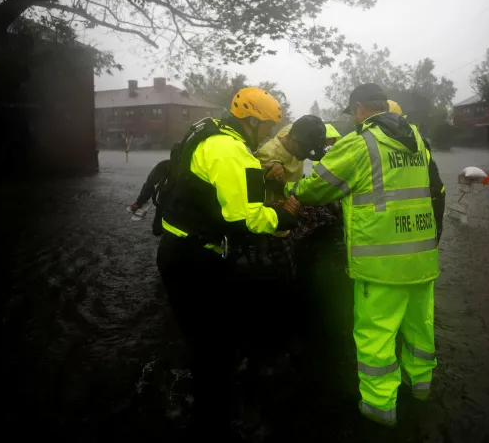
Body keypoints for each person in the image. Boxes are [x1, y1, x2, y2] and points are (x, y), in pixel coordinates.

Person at [284, 83, 446, 427]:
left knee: (376, 335)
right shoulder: (417, 138)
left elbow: (318, 186)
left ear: (359, 108)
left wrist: (289, 191)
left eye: (352, 112)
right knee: (420, 328)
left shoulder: (360, 143)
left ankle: (379, 407)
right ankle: (420, 388)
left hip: (380, 264)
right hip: (421, 257)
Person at [156, 87, 302, 439]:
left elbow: (215, 185)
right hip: (194, 259)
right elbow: (246, 220)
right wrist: (283, 217)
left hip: (177, 249)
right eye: (267, 127)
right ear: (251, 120)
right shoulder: (232, 151)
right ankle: (212, 423)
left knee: (202, 336)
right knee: (214, 346)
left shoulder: (211, 130)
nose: (269, 135)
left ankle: (197, 399)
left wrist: (260, 176)